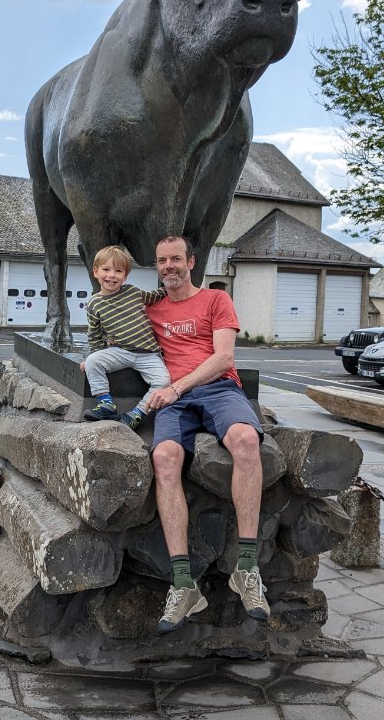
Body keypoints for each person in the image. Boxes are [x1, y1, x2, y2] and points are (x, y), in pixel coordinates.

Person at [143, 235, 269, 633]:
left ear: (191, 262)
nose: (169, 267)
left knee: (247, 442)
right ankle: (183, 584)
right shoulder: (151, 308)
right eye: (162, 261)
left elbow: (224, 357)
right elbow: (113, 324)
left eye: (176, 259)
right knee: (164, 458)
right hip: (175, 401)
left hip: (217, 389)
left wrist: (177, 387)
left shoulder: (216, 300)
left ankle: (246, 569)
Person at [81, 245, 170, 430]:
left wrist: (170, 288)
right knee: (92, 361)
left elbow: (154, 296)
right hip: (120, 351)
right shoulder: (94, 303)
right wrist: (94, 357)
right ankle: (106, 403)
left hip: (148, 354)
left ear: (125, 276)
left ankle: (136, 414)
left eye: (118, 271)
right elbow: (94, 335)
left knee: (163, 381)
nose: (112, 275)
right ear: (96, 272)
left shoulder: (132, 292)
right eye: (106, 269)